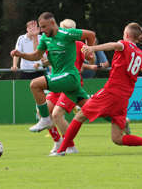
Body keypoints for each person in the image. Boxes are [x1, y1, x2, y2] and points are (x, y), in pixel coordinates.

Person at [49, 23, 142, 156]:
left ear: (126, 35)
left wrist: (92, 48)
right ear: (138, 37)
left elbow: (114, 45)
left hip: (112, 91)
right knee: (117, 138)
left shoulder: (124, 44)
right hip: (124, 98)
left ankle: (61, 150)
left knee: (80, 116)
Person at [10, 12, 96, 133]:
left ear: (52, 23)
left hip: (70, 77)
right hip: (59, 78)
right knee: (91, 109)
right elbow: (37, 55)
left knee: (37, 87)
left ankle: (48, 124)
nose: (42, 30)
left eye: (44, 27)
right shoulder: (46, 38)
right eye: (41, 27)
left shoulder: (69, 35)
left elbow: (91, 37)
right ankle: (120, 121)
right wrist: (21, 54)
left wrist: (89, 51)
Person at [33, 19, 96, 154]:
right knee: (42, 111)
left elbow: (91, 59)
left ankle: (70, 146)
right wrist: (40, 63)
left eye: (66, 29)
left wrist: (90, 54)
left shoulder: (78, 44)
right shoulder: (54, 41)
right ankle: (59, 142)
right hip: (57, 81)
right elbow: (46, 59)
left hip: (69, 83)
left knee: (57, 114)